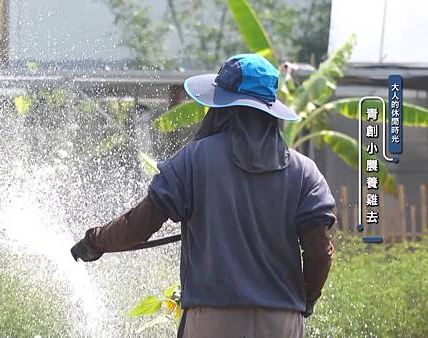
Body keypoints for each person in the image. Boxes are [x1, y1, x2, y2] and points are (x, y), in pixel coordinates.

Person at [70, 54, 336, 338]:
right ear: (269, 111)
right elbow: (320, 253)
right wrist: (302, 302)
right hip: (281, 323)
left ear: (222, 106)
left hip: (212, 322)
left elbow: (138, 227)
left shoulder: (194, 160)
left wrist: (95, 240)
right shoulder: (305, 172)